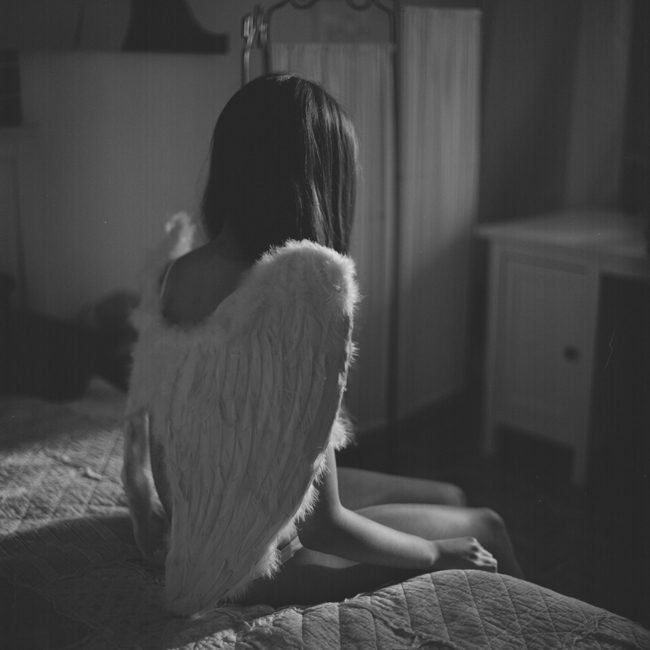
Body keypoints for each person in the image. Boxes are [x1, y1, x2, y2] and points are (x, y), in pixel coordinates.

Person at [124, 73, 523, 612]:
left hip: (198, 540)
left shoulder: (176, 274)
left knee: (448, 496)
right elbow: (322, 526)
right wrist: (435, 552)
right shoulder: (304, 295)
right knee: (486, 526)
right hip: (262, 568)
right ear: (315, 183)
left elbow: (159, 448)